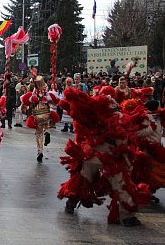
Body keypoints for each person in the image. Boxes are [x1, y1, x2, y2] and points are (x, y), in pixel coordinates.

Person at [58, 87, 150, 226]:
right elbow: (122, 141)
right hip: (111, 157)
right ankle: (127, 217)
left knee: (83, 179)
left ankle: (71, 202)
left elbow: (81, 133)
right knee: (120, 185)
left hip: (92, 155)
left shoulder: (91, 114)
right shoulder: (119, 116)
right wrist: (127, 158)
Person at [21, 76, 60, 163]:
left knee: (38, 133)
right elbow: (53, 103)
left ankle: (40, 151)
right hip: (46, 113)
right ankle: (47, 132)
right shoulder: (46, 90)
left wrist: (26, 107)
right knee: (46, 124)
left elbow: (29, 102)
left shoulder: (35, 91)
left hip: (37, 113)